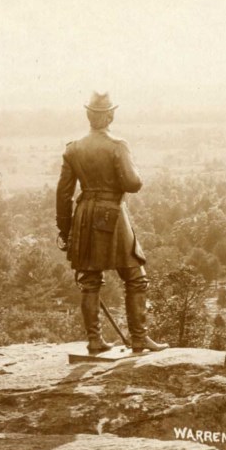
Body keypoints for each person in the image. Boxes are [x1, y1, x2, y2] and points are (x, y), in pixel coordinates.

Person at [56, 92, 168, 354]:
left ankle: (95, 341)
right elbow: (133, 183)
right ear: (109, 115)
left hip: (84, 216)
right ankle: (139, 339)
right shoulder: (118, 145)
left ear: (88, 115)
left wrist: (65, 229)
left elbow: (63, 194)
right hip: (113, 215)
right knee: (135, 277)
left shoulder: (73, 149)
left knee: (90, 280)